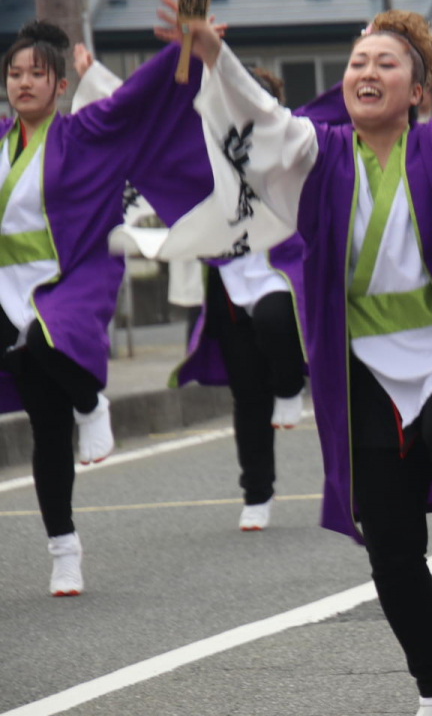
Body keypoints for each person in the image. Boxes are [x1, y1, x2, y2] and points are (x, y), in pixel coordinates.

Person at [154, 1, 432, 716]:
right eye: (359, 62)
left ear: (418, 91)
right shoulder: (320, 152)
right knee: (391, 546)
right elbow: (262, 118)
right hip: (362, 364)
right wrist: (212, 52)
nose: (367, 71)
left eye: (386, 63)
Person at [0, 21, 212, 596]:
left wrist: (186, 48)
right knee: (45, 427)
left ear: (61, 85)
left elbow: (137, 96)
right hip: (5, 290)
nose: (23, 83)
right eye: (14, 74)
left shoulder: (85, 131)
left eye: (36, 74)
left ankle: (92, 401)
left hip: (69, 280)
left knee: (50, 341)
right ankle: (63, 549)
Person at [73, 52, 309, 533]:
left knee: (277, 322)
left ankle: (290, 386)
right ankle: (257, 492)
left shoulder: (292, 144)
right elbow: (152, 124)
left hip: (281, 271)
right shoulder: (209, 150)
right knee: (247, 393)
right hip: (228, 277)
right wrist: (95, 78)